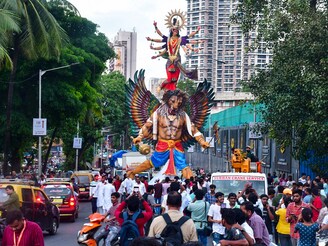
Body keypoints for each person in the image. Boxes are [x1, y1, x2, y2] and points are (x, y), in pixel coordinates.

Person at [128, 89, 209, 179]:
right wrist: (140, 137)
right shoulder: (158, 113)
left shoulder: (183, 115)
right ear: (168, 100)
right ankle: (132, 172)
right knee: (153, 162)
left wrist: (202, 142)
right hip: (162, 144)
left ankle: (192, 185)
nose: (176, 104)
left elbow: (194, 130)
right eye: (173, 101)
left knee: (183, 165)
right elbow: (147, 126)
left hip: (177, 145)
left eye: (179, 102)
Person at [146, 15, 200, 91]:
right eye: (174, 30)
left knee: (174, 81)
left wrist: (197, 31)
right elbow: (160, 36)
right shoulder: (168, 39)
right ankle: (161, 86)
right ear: (172, 30)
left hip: (177, 61)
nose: (175, 31)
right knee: (169, 79)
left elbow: (189, 37)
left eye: (176, 30)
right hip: (170, 61)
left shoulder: (180, 39)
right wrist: (155, 28)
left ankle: (171, 92)